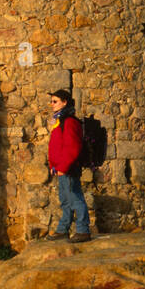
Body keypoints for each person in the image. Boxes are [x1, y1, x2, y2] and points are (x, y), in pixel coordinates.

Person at [46, 89, 91, 241]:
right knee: (65, 200)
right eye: (51, 101)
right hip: (60, 169)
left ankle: (83, 230)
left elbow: (72, 148)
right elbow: (57, 146)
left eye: (55, 101)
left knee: (75, 198)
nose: (51, 104)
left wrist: (62, 167)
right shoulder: (60, 121)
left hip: (68, 169)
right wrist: (54, 165)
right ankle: (63, 229)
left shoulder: (70, 122)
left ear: (65, 102)